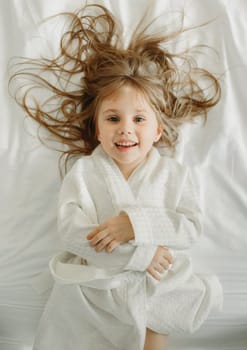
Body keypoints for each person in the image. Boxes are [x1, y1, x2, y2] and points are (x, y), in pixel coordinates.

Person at [10, 3, 223, 350]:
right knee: (74, 323)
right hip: (98, 285)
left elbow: (190, 227)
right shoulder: (84, 172)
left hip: (153, 282)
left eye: (139, 119)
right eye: (113, 119)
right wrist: (139, 254)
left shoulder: (173, 174)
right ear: (97, 127)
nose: (126, 130)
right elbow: (72, 232)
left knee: (157, 316)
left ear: (157, 130)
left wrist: (134, 224)